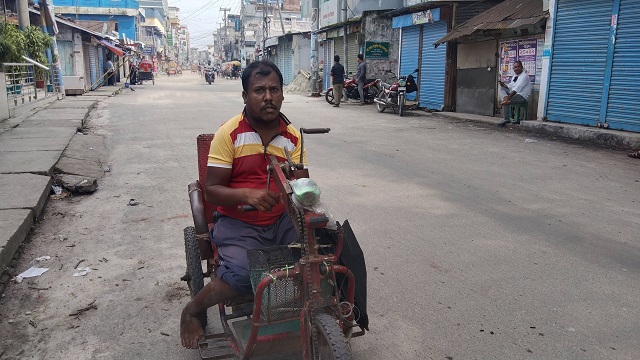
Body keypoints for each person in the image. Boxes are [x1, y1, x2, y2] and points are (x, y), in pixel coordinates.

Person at [180, 60, 308, 349]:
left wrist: (307, 193)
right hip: (239, 222)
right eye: (259, 90)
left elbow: (299, 183)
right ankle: (192, 310)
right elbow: (211, 190)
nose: (268, 97)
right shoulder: (229, 134)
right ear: (245, 96)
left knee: (319, 258)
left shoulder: (292, 137)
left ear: (282, 94)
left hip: (281, 220)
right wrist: (247, 195)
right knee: (239, 276)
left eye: (274, 89)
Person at [497, 60, 532, 127]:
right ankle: (505, 99)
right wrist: (505, 86)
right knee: (501, 88)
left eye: (518, 67)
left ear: (522, 67)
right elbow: (511, 87)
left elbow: (517, 89)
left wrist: (508, 97)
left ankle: (506, 119)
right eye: (515, 67)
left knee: (507, 102)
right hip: (515, 95)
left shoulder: (524, 76)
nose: (517, 68)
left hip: (522, 96)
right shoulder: (515, 76)